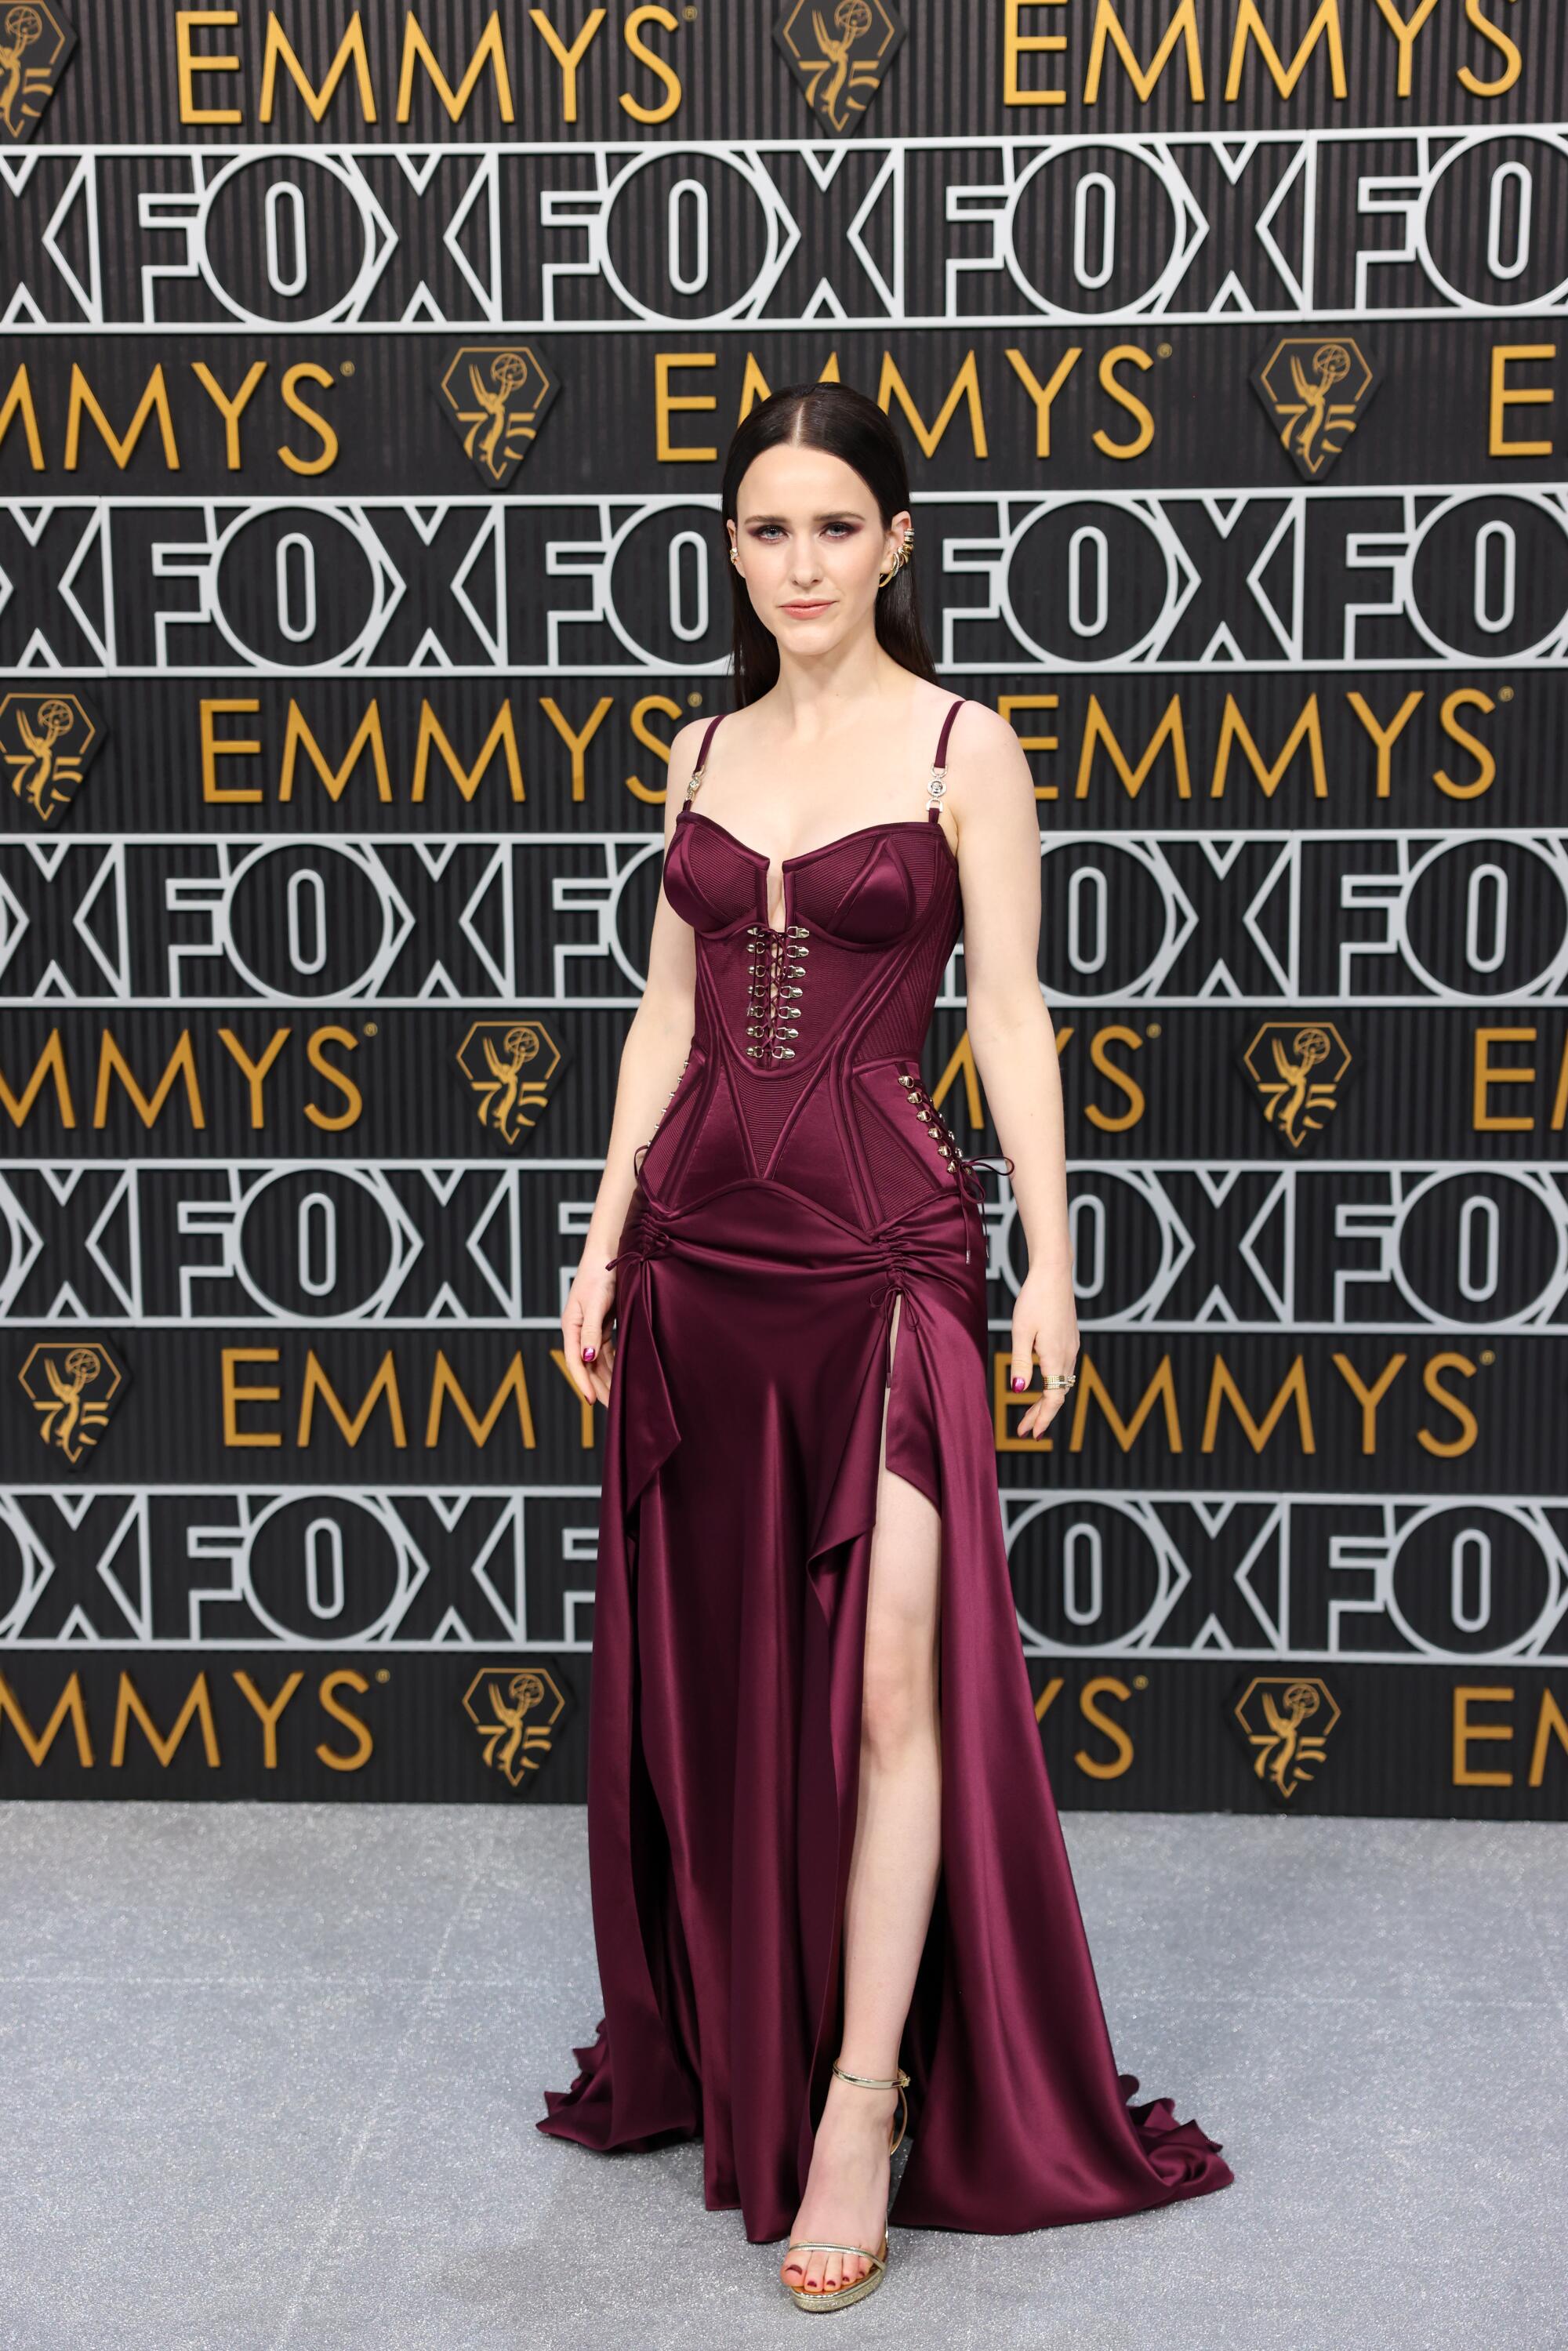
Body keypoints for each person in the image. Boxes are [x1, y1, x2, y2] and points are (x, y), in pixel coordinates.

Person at [538, 383, 1233, 2311]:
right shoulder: (699, 744)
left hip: (886, 1264)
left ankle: (859, 2095)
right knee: (736, 1675)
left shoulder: (962, 747)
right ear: (734, 549)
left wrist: (1051, 1263)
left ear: (895, 542)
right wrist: (595, 1250)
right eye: (765, 530)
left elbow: (1010, 1012)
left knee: (898, 1683)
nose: (799, 565)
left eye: (834, 527)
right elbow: (663, 1022)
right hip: (698, 1263)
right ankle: (749, 2030)